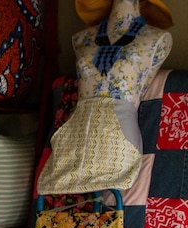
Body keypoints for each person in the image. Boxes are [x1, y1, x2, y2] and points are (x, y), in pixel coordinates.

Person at [36, 0, 172, 195]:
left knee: (114, 203)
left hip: (119, 133)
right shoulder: (82, 38)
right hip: (75, 133)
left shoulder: (156, 38)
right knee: (53, 197)